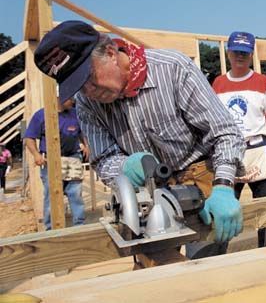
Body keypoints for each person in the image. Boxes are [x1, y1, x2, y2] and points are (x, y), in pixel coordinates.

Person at [33, 20, 246, 257]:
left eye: (90, 78)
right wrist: (126, 167)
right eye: (79, 88)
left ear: (111, 53)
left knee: (206, 265)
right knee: (153, 269)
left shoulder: (172, 69)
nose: (89, 92)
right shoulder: (87, 103)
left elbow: (225, 132)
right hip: (146, 190)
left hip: (199, 174)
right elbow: (103, 159)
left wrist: (224, 186)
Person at [212, 31, 266, 247]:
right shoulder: (218, 84)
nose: (240, 56)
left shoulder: (263, 83)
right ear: (228, 53)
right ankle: (219, 254)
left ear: (251, 54)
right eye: (236, 52)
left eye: (244, 52)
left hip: (259, 152)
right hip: (229, 154)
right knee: (223, 207)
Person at [24, 97, 88, 230]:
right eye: (70, 98)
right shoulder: (42, 115)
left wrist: (86, 145)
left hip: (73, 158)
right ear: (59, 97)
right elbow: (29, 138)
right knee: (51, 194)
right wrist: (36, 154)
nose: (73, 101)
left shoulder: (74, 113)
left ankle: (80, 227)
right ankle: (50, 229)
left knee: (75, 193)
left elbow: (81, 132)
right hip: (50, 160)